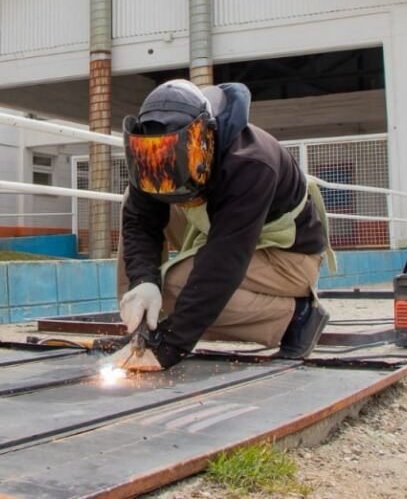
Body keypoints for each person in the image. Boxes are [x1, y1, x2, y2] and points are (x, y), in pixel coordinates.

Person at [111, 79, 335, 372]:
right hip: (216, 226)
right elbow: (141, 222)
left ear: (204, 139)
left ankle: (295, 316)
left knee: (176, 285)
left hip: (289, 256)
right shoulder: (152, 156)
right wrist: (143, 281)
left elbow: (222, 263)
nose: (161, 173)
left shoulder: (252, 164)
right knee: (135, 202)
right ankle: (140, 329)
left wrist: (172, 347)